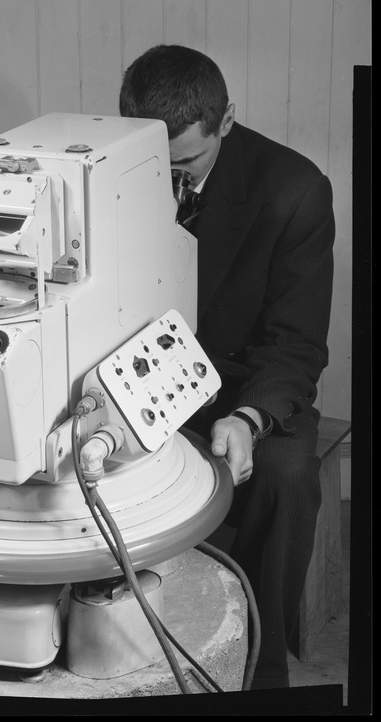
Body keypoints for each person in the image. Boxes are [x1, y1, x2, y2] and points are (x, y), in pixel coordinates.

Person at [119, 44, 335, 690]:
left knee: (285, 472)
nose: (169, 178)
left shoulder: (293, 189)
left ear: (227, 120)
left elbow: (294, 343)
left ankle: (257, 667)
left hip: (239, 386)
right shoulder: (114, 170)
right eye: (155, 161)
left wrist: (248, 416)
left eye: (185, 160)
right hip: (133, 378)